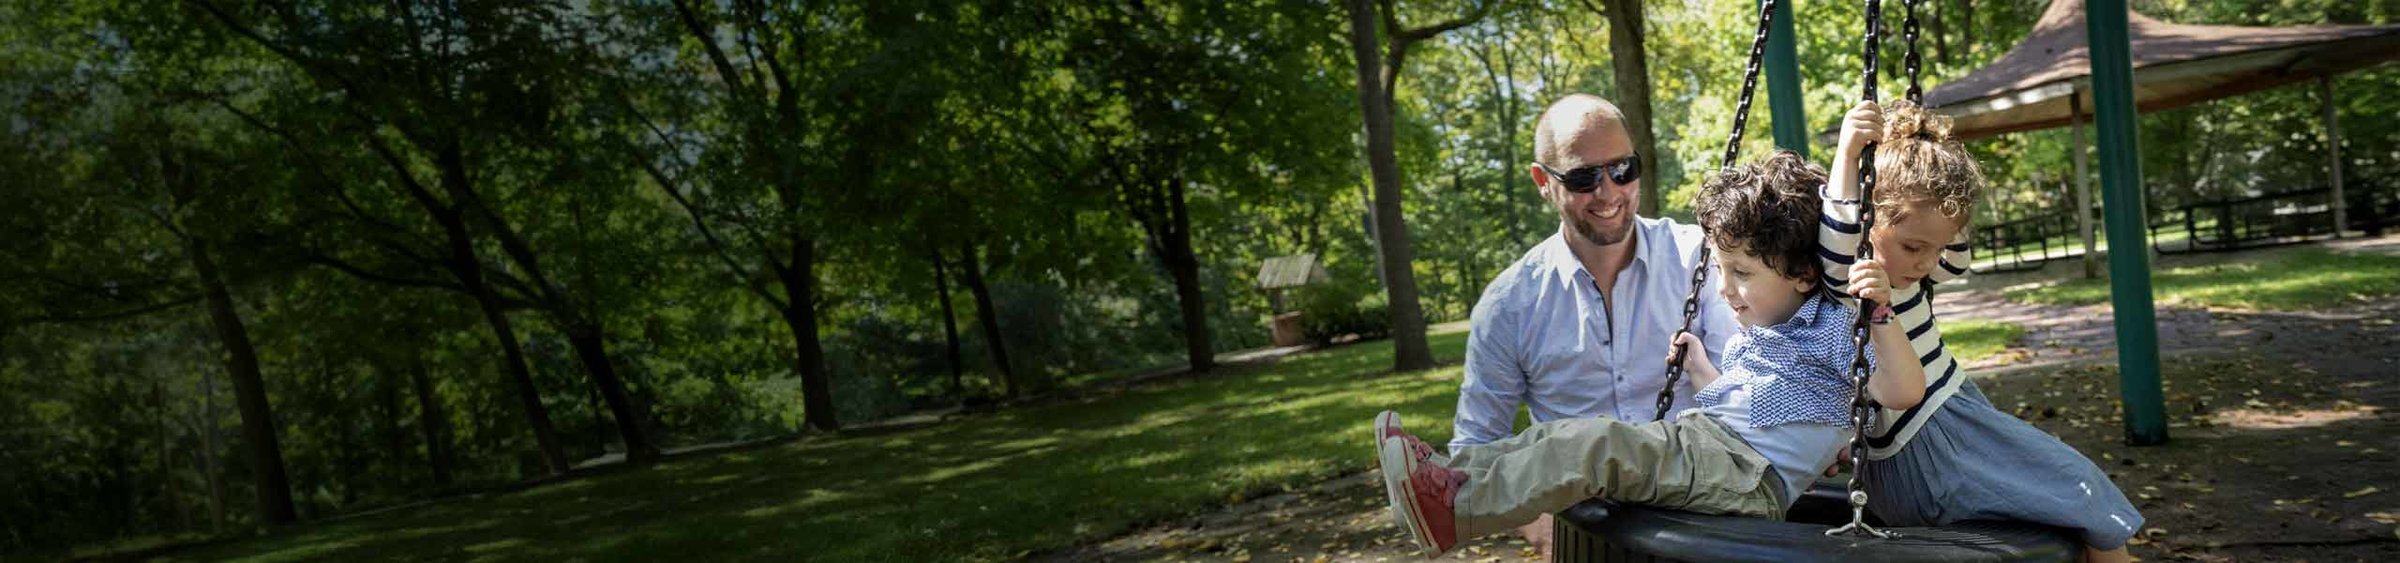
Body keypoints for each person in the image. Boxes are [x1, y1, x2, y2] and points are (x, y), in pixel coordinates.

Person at [1372, 152, 1926, 558]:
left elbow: (1901, 391)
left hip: (1742, 477)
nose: (1726, 288)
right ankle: (1447, 481)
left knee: (1592, 446)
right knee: (1560, 436)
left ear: (1806, 273)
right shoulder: (1770, 333)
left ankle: (1454, 515)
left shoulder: (1839, 329)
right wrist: (1703, 368)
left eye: (1743, 273)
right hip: (1714, 450)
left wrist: (1878, 313)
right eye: (1722, 269)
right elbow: (1750, 408)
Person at [1824, 99, 2143, 563]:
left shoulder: (1918, 264)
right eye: (1914, 247)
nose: (1927, 263)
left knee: (2062, 503)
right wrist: (1849, 155)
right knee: (2078, 485)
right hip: (1930, 439)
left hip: (1952, 416)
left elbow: (1954, 256)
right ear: (1868, 222)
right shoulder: (1860, 277)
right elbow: (1839, 232)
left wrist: (1940, 175)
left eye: (1933, 248)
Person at [1450, 94, 1738, 552]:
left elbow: (1739, 389)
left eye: (1622, 170)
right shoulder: (1510, 305)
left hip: (1703, 516)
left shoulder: (1699, 261)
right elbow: (1477, 445)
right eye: (1584, 177)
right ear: (1543, 182)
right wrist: (1541, 528)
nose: (1608, 193)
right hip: (1586, 530)